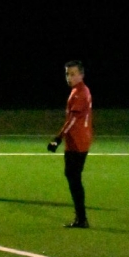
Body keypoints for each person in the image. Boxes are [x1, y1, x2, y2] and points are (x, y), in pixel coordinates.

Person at [47, 60, 93, 228]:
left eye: (73, 74)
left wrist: (57, 138)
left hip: (77, 141)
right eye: (67, 74)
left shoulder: (79, 93)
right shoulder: (80, 90)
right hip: (80, 139)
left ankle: (81, 218)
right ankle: (81, 217)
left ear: (81, 74)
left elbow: (73, 120)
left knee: (73, 177)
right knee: (73, 176)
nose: (69, 77)